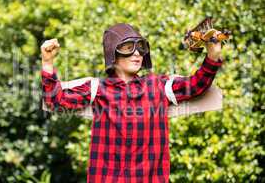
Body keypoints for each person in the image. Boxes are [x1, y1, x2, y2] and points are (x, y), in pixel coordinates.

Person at [41, 23, 223, 183]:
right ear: (113, 53)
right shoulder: (98, 89)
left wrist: (213, 55)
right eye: (128, 47)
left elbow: (197, 85)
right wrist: (47, 63)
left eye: (140, 47)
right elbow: (55, 100)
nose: (137, 54)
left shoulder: (158, 86)